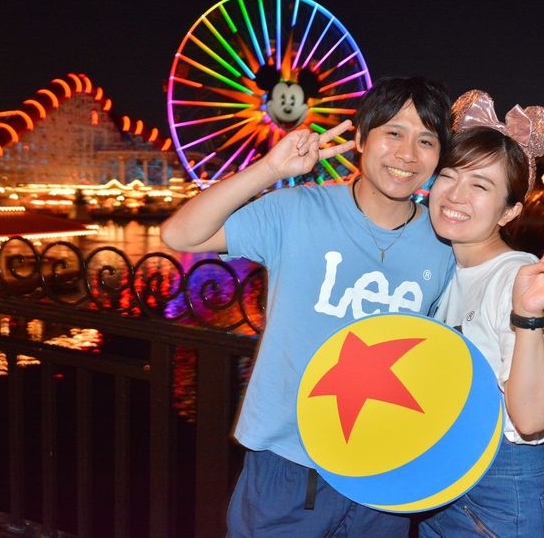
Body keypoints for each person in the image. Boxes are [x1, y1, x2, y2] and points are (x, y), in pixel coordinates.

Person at [161, 76, 455, 536]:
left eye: (426, 141)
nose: (407, 154)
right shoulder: (296, 210)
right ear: (361, 139)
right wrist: (269, 169)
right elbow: (180, 235)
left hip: (384, 466)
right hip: (288, 461)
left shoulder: (443, 246)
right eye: (393, 133)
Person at [419, 90, 544, 537]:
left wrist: (527, 314)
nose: (455, 195)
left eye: (480, 186)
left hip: (499, 487)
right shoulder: (445, 269)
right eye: (448, 175)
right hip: (440, 470)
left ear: (510, 211)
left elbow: (531, 421)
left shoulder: (517, 277)